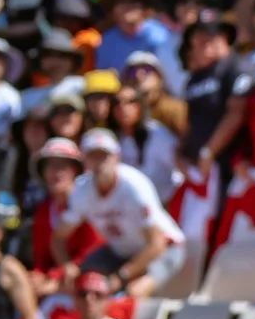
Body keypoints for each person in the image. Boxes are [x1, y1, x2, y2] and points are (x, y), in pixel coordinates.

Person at [67, 127, 186, 297]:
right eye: (93, 156)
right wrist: (66, 265)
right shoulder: (81, 190)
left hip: (166, 248)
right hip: (120, 252)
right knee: (84, 285)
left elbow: (156, 244)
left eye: (104, 156)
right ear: (85, 160)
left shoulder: (133, 186)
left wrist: (122, 276)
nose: (99, 162)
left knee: (134, 292)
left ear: (117, 157)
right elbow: (59, 236)